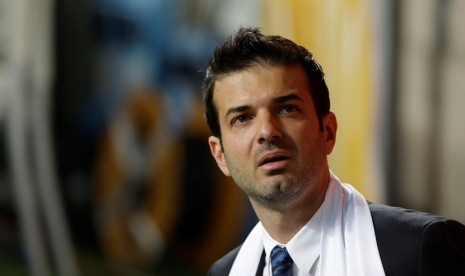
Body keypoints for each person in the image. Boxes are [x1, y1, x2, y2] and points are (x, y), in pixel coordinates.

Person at [201, 26, 465, 276]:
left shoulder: (418, 251)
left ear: (327, 132)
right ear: (220, 156)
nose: (267, 131)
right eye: (243, 118)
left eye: (287, 109)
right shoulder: (225, 272)